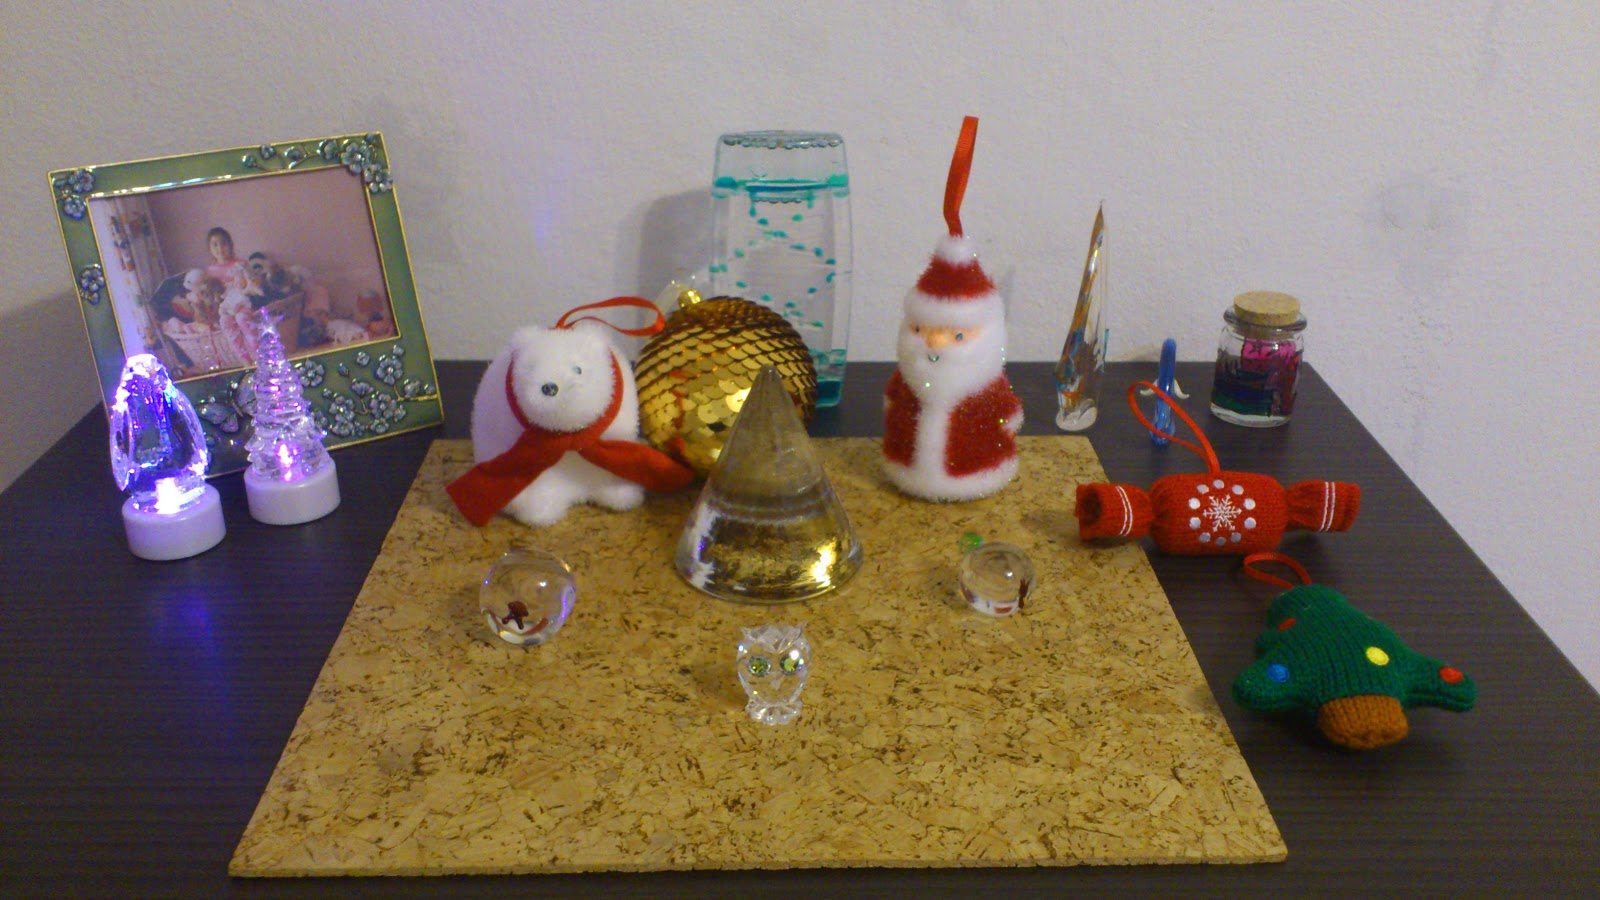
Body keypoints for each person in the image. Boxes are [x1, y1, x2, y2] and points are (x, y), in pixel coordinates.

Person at [881, 234, 1023, 501]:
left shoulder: (989, 390)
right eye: (919, 329)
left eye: (957, 336)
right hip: (904, 468)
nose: (934, 343)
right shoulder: (906, 382)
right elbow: (891, 403)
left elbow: (1010, 417)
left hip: (978, 473)